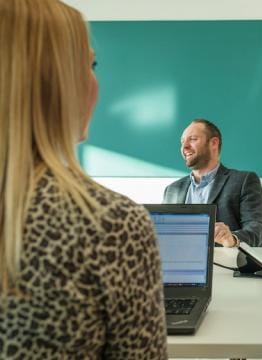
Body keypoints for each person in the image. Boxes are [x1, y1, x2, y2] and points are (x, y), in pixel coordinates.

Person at [0, 0, 167, 358]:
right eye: (89, 65)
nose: (95, 81)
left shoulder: (240, 180)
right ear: (54, 81)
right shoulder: (108, 223)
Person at [163, 119, 262, 248]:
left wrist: (233, 239)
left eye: (193, 139)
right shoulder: (172, 190)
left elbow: (259, 231)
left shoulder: (243, 181)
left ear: (214, 143)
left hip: (225, 266)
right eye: (182, 141)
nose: (184, 146)